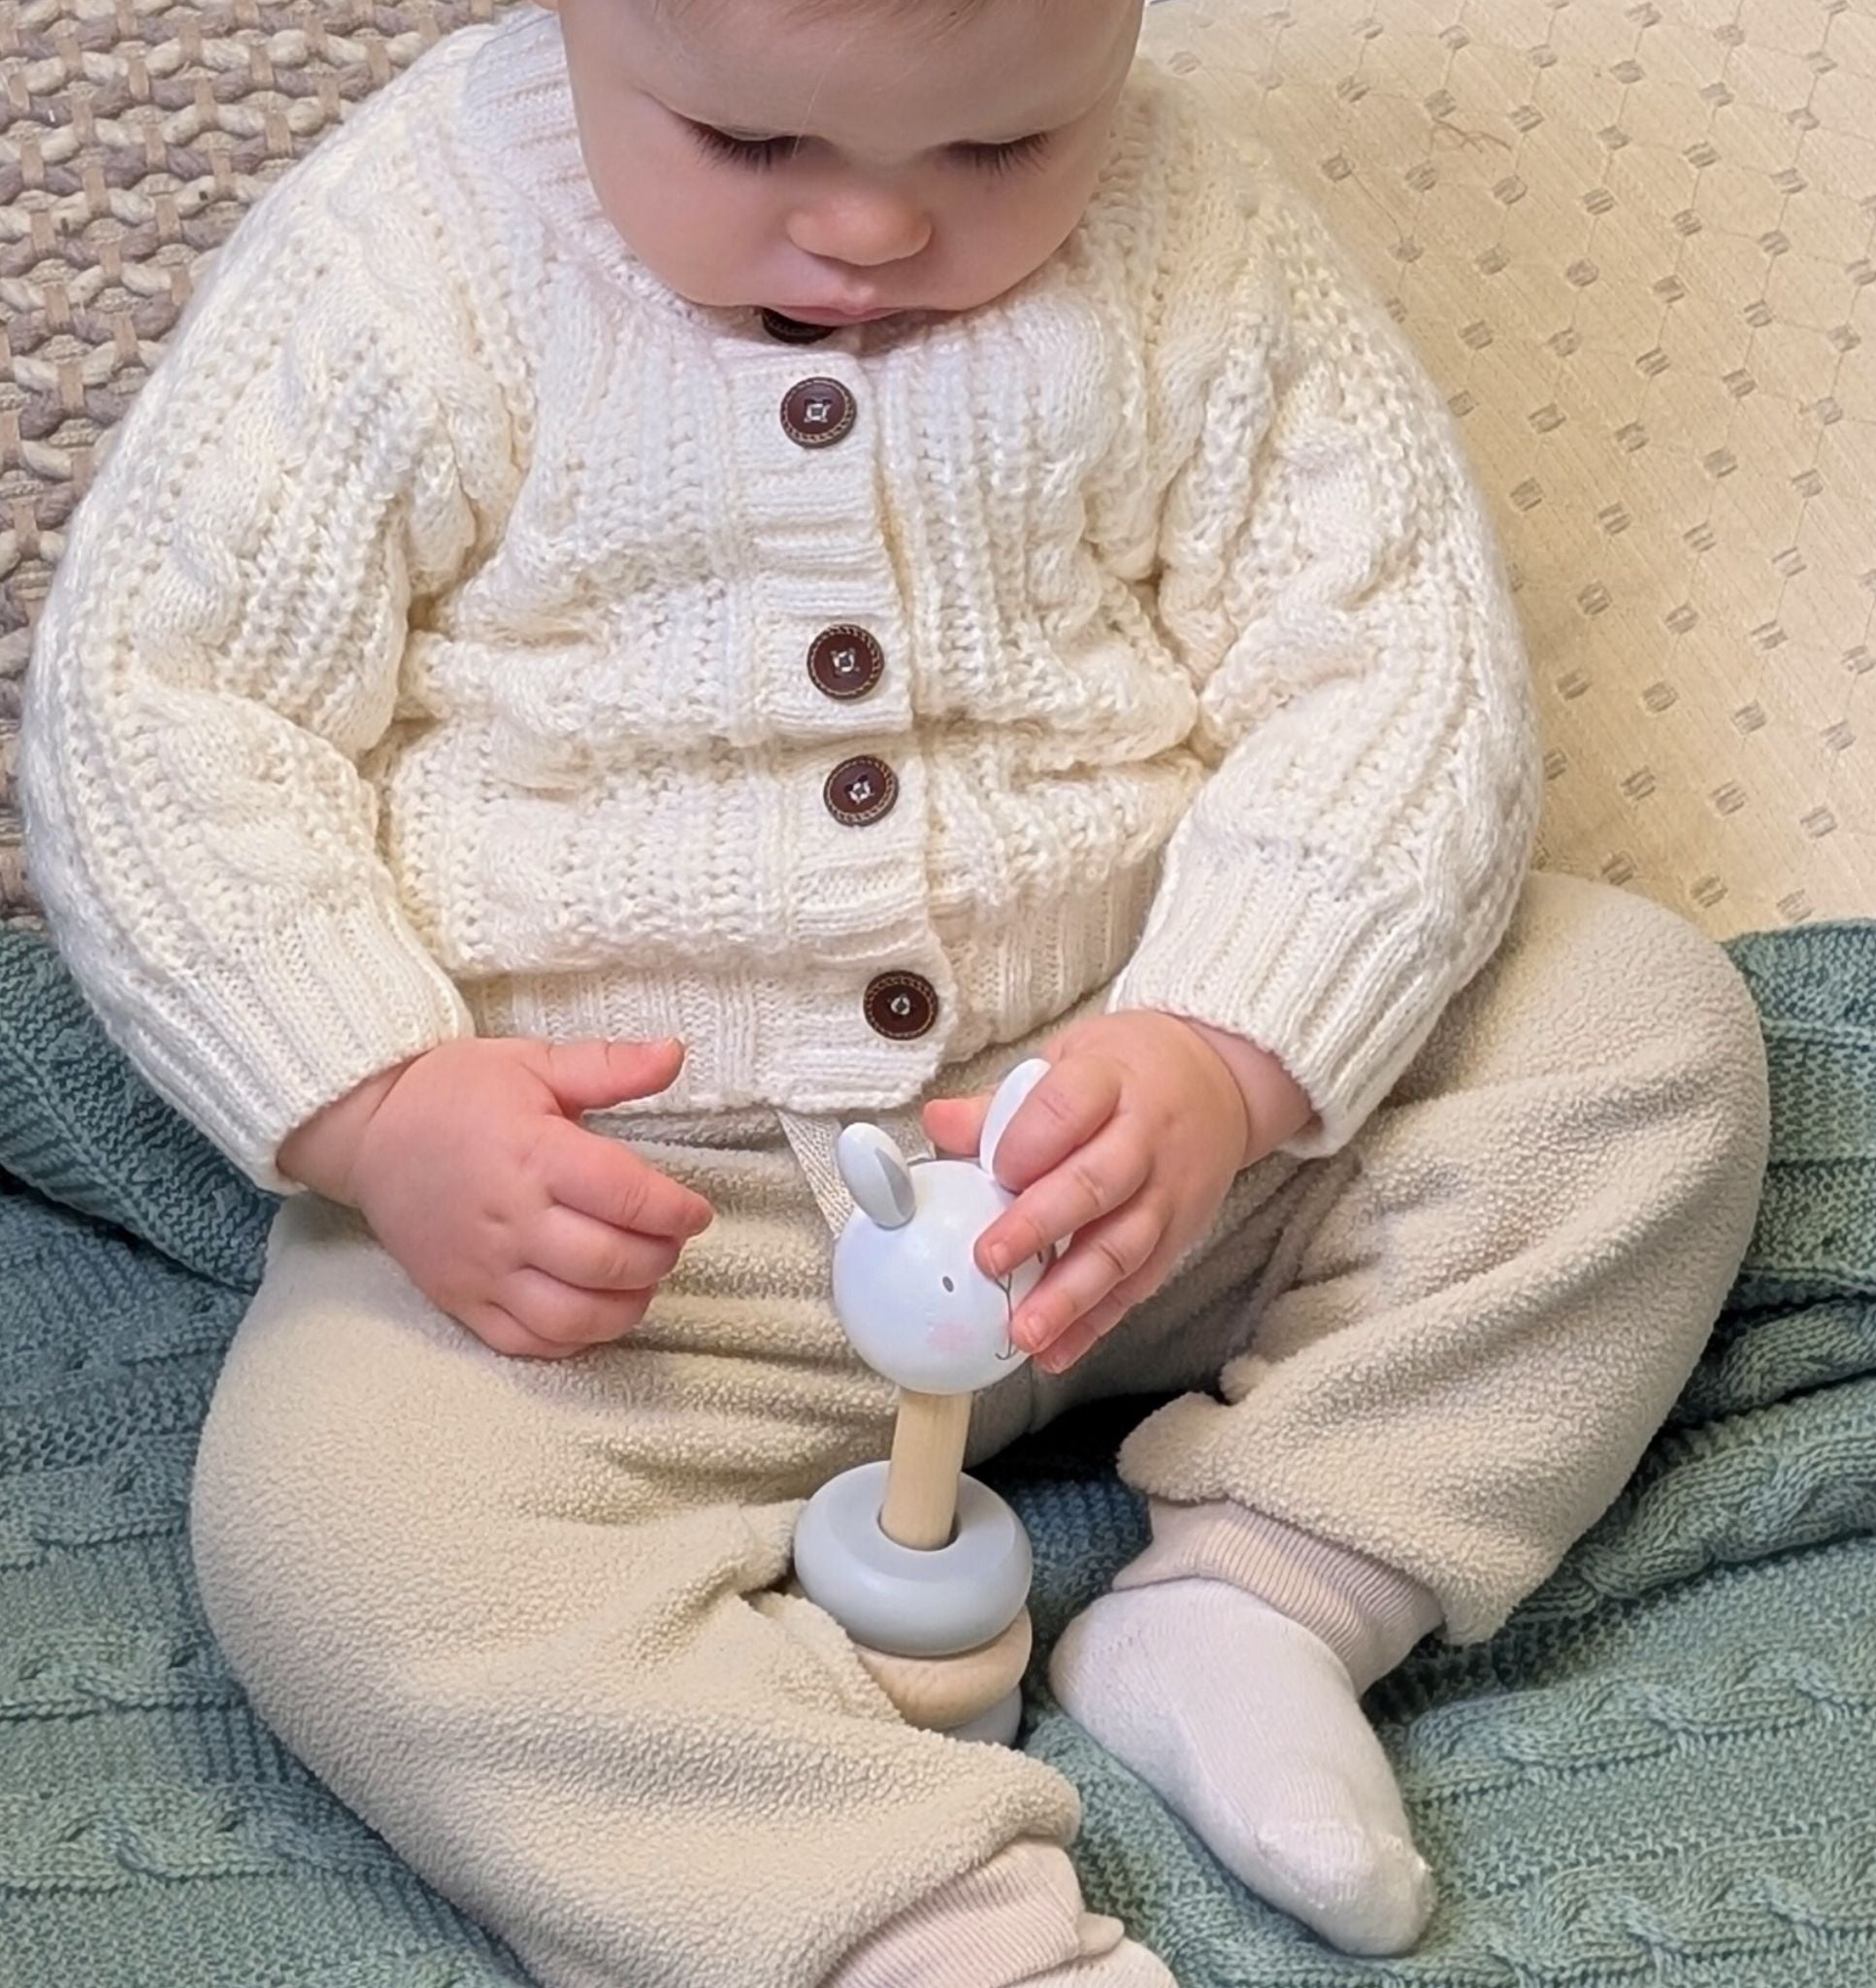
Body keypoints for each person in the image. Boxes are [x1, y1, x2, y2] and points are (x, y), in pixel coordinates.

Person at [17, 0, 1770, 1982]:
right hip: (635, 1234)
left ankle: (1272, 1589)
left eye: (999, 152)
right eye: (748, 148)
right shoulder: (410, 254)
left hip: (1131, 1161)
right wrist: (377, 1102)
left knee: (1637, 1031)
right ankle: (893, 1910)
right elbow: (164, 710)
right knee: (343, 1530)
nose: (868, 235)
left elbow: (1399, 673)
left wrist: (1223, 1047)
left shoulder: (1206, 243)